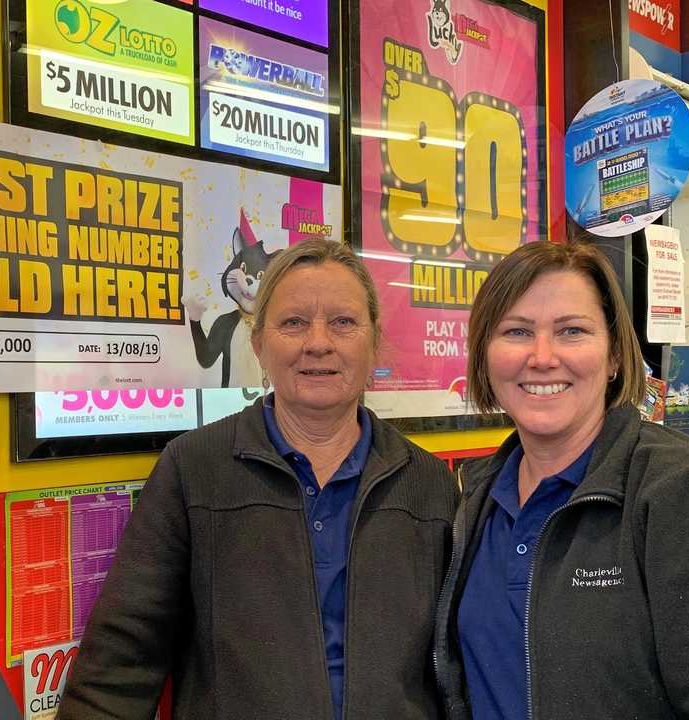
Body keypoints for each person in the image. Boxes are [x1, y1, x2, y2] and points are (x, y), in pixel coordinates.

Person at [60, 239, 459, 719]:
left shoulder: (431, 485)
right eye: (293, 322)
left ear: (373, 339)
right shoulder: (193, 469)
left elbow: (458, 664)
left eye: (343, 322)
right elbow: (119, 664)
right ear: (258, 343)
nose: (318, 342)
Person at [433, 240, 689, 719]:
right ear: (485, 355)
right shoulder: (478, 498)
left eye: (572, 330)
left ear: (614, 355)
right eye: (516, 331)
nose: (543, 356)